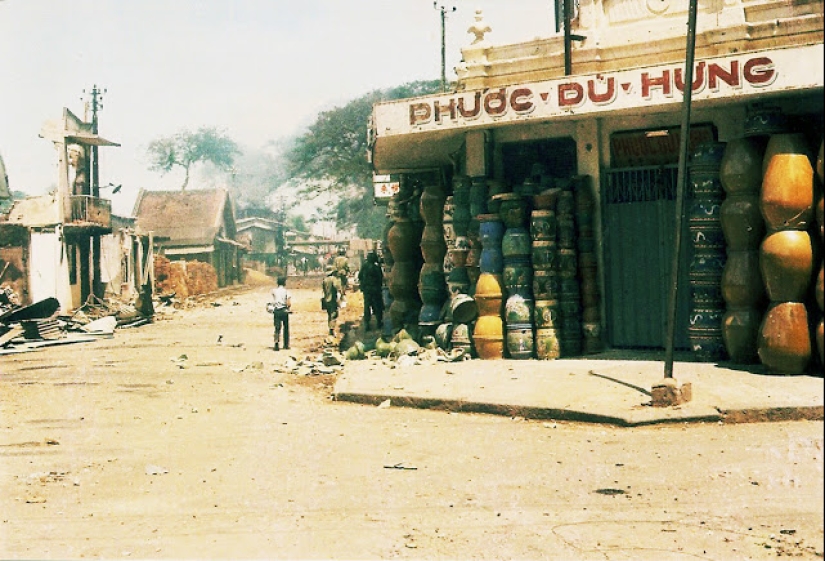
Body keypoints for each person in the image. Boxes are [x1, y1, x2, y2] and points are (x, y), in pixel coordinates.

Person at [358, 252, 384, 330]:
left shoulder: (364, 266)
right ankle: (379, 323)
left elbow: (359, 276)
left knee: (367, 307)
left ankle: (367, 324)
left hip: (367, 290)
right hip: (376, 290)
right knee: (378, 306)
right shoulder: (376, 267)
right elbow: (380, 278)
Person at [269, 276, 291, 351]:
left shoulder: (274, 291)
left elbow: (273, 299)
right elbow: (288, 303)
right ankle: (286, 345)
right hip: (284, 311)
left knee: (277, 328)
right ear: (284, 283)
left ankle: (276, 344)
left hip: (277, 311)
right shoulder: (286, 291)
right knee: (286, 328)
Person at [322, 265, 343, 336]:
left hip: (326, 299)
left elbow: (324, 290)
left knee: (329, 315)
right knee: (334, 314)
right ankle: (331, 330)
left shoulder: (325, 280)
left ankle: (330, 328)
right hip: (332, 299)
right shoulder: (333, 279)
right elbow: (337, 288)